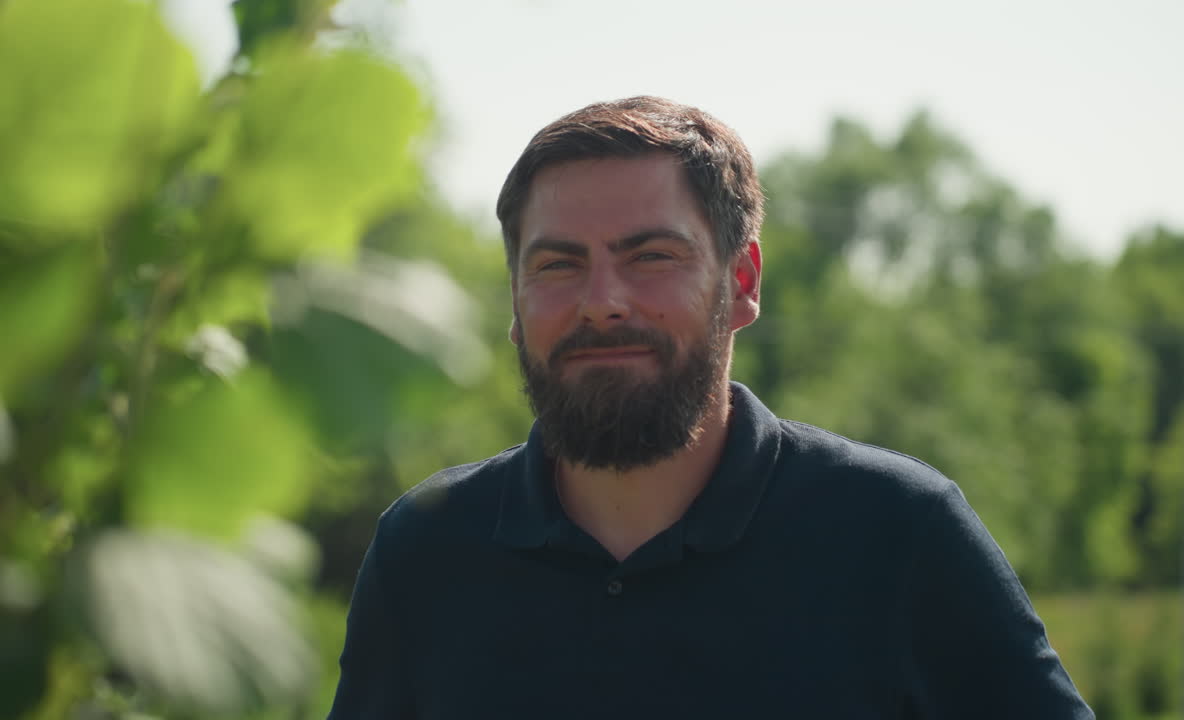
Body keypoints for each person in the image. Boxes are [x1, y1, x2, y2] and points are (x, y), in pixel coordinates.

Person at [328, 96, 1094, 719]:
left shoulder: (901, 532)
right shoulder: (425, 553)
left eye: (650, 257)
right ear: (517, 298)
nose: (602, 303)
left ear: (743, 281)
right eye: (559, 264)